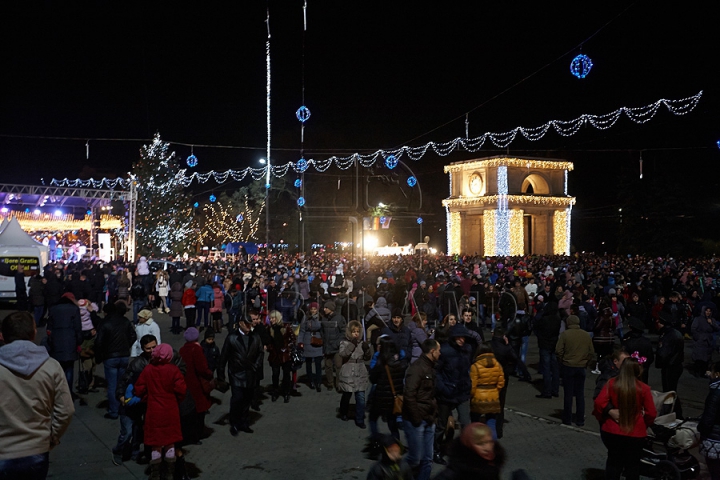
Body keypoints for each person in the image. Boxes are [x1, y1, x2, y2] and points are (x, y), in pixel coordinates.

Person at [0, 311, 74, 479]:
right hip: (36, 450)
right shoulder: (51, 367)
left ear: (2, 336)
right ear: (33, 333)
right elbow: (66, 411)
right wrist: (51, 437)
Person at [593, 357, 656, 480]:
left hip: (612, 430)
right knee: (633, 466)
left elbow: (599, 403)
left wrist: (609, 412)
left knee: (613, 463)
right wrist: (645, 424)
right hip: (635, 432)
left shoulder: (612, 383)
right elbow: (651, 413)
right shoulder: (643, 388)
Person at [133, 343, 187, 480]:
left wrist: (147, 397)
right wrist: (175, 400)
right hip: (170, 410)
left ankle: (155, 474)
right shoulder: (173, 370)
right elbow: (181, 390)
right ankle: (169, 473)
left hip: (153, 410)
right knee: (170, 443)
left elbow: (139, 389)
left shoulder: (149, 369)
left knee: (155, 444)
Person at [217, 315, 264, 435]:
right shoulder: (232, 337)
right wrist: (221, 375)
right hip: (236, 374)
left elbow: (260, 353)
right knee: (237, 399)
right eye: (247, 324)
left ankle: (244, 422)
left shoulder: (255, 337)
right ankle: (235, 422)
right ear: (241, 323)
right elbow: (224, 356)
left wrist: (256, 366)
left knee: (247, 399)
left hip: (250, 373)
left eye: (250, 324)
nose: (249, 326)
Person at [434, 324, 474, 464]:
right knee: (441, 424)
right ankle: (436, 451)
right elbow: (437, 372)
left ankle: (464, 452)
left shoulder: (467, 350)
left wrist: (468, 385)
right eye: (458, 337)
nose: (461, 340)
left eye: (463, 337)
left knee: (465, 423)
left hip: (462, 392)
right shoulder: (445, 351)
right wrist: (443, 388)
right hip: (447, 393)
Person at [403, 338, 441, 480]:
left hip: (429, 418)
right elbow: (409, 395)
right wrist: (417, 418)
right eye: (438, 351)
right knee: (414, 459)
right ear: (432, 352)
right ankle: (392, 473)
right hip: (416, 420)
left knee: (427, 459)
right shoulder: (417, 368)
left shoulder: (431, 367)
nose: (440, 353)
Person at [95, 301, 137, 419]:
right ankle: (123, 407)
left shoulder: (105, 323)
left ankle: (114, 410)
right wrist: (126, 345)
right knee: (122, 383)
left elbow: (99, 342)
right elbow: (133, 336)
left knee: (112, 385)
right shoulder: (125, 321)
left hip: (110, 356)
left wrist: (99, 355)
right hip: (123, 355)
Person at [555, 314, 595, 426]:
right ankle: (580, 419)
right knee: (580, 394)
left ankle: (567, 419)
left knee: (568, 394)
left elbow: (558, 350)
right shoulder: (585, 335)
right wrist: (586, 361)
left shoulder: (565, 335)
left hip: (568, 366)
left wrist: (562, 360)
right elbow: (591, 352)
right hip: (581, 366)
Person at [432, 423, 507, 480]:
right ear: (469, 445)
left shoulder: (492, 463)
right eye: (480, 444)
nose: (487, 448)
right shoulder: (455, 472)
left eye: (489, 442)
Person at [368, 336, 407, 445]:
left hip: (380, 398)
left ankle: (375, 440)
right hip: (393, 398)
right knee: (392, 422)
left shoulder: (381, 363)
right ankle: (397, 443)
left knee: (373, 418)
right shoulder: (400, 363)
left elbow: (372, 379)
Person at [179, 327, 214, 445]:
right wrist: (210, 374)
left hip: (186, 383)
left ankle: (188, 434)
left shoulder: (182, 349)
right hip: (197, 385)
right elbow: (202, 368)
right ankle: (196, 436)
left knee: (189, 412)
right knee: (199, 412)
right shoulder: (197, 350)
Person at [46, 292, 83, 401]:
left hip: (57, 341)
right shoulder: (74, 309)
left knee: (58, 368)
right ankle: (68, 392)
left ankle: (58, 392)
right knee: (69, 368)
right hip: (70, 340)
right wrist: (79, 341)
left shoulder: (53, 309)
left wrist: (51, 340)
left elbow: (49, 328)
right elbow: (78, 328)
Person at [338, 320, 372, 428]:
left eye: (357, 331)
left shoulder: (362, 343)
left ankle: (359, 418)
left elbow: (367, 358)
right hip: (348, 370)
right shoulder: (344, 343)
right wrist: (352, 345)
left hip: (360, 370)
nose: (356, 334)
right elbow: (343, 354)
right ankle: (343, 412)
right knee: (347, 395)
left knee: (361, 397)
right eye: (354, 332)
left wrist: (367, 350)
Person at [469, 343, 505, 439]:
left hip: (478, 397)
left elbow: (473, 385)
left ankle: (476, 443)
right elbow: (501, 382)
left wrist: (471, 395)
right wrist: (495, 391)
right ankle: (493, 444)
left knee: (475, 422)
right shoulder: (497, 365)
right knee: (492, 422)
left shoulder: (475, 366)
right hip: (493, 396)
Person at [655, 312, 685, 419]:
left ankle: (674, 413)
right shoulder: (676, 333)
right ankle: (675, 412)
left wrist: (659, 362)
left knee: (669, 391)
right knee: (672, 390)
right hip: (676, 364)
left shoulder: (667, 336)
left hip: (670, 366)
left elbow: (663, 354)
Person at [267, 310, 296, 403]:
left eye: (273, 318)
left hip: (285, 355)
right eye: (270, 318)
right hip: (275, 355)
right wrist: (270, 347)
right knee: (275, 375)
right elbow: (268, 341)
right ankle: (275, 391)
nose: (271, 320)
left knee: (286, 375)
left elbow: (293, 339)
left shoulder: (286, 327)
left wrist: (287, 348)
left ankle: (286, 392)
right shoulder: (269, 328)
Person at [534, 301, 561, 399]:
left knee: (546, 368)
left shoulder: (544, 319)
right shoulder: (557, 319)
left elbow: (536, 328)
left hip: (545, 344)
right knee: (555, 368)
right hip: (553, 344)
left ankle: (547, 391)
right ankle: (555, 389)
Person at [698, 360, 720, 480]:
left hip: (716, 440)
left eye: (711, 371)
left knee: (715, 472)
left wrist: (700, 429)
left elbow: (708, 419)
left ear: (717, 374)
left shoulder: (716, 392)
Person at [297, 301, 323, 392]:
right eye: (312, 309)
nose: (313, 311)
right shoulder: (305, 318)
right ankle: (310, 380)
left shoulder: (320, 317)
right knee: (308, 363)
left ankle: (318, 382)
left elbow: (322, 328)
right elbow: (302, 330)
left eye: (315, 309)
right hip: (308, 341)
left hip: (318, 341)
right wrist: (300, 342)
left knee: (318, 363)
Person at [320, 301, 346, 390]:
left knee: (338, 366)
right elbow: (322, 332)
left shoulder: (339, 318)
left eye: (326, 308)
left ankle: (339, 384)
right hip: (327, 346)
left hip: (337, 347)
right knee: (328, 366)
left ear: (331, 308)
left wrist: (338, 343)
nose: (324, 309)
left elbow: (343, 332)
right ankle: (330, 383)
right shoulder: (324, 319)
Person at [621, 317, 654, 384]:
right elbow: (650, 357)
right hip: (643, 369)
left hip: (630, 370)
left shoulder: (627, 342)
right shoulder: (647, 341)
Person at [692, 306, 720, 377]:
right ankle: (697, 372)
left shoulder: (712, 320)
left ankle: (703, 371)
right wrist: (698, 337)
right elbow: (693, 329)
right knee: (699, 357)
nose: (708, 312)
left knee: (706, 358)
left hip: (708, 341)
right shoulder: (698, 319)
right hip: (700, 340)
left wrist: (711, 323)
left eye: (709, 311)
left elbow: (717, 328)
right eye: (707, 311)